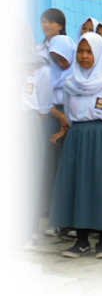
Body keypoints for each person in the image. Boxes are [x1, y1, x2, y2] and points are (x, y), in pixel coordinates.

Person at [49, 32, 102, 259]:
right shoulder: (70, 82)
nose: (84, 56)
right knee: (78, 186)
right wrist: (78, 131)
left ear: (99, 54)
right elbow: (70, 113)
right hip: (77, 137)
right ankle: (81, 241)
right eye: (80, 51)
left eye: (89, 52)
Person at [9, 15, 53, 252]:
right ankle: (10, 232)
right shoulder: (9, 64)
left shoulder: (39, 68)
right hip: (9, 124)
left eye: (10, 34)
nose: (8, 39)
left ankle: (27, 233)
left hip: (29, 124)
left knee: (28, 179)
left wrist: (24, 120)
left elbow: (45, 106)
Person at [39, 35, 76, 236]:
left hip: (72, 123)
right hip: (53, 119)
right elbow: (44, 101)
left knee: (68, 171)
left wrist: (65, 124)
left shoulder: (78, 74)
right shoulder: (47, 73)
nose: (60, 64)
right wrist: (60, 118)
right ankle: (55, 219)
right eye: (55, 59)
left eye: (63, 59)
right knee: (52, 170)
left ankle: (70, 220)